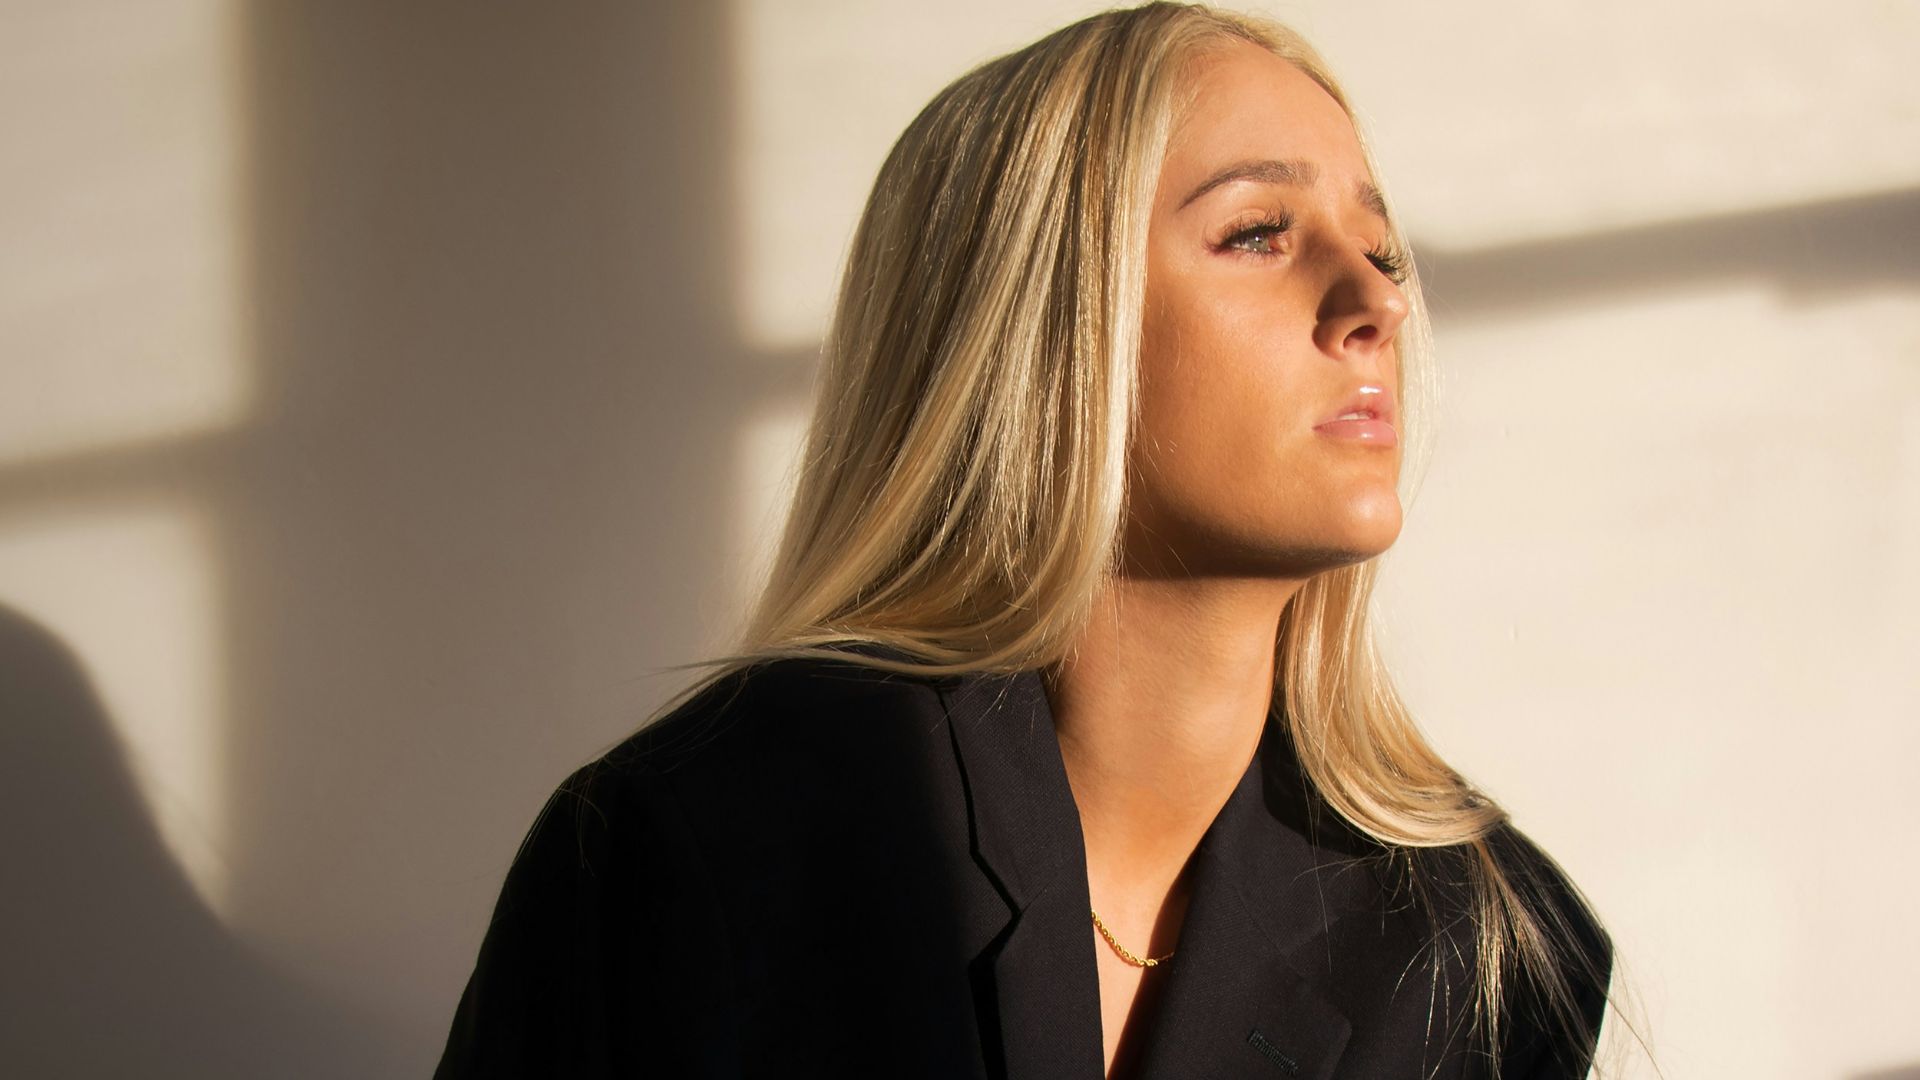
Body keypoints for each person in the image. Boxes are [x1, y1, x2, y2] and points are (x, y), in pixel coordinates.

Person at [433, 3, 1617, 1077]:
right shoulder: (699, 849)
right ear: (1040, 322)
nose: (1378, 302)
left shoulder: (1485, 950)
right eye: (1258, 230)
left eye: (1385, 248)